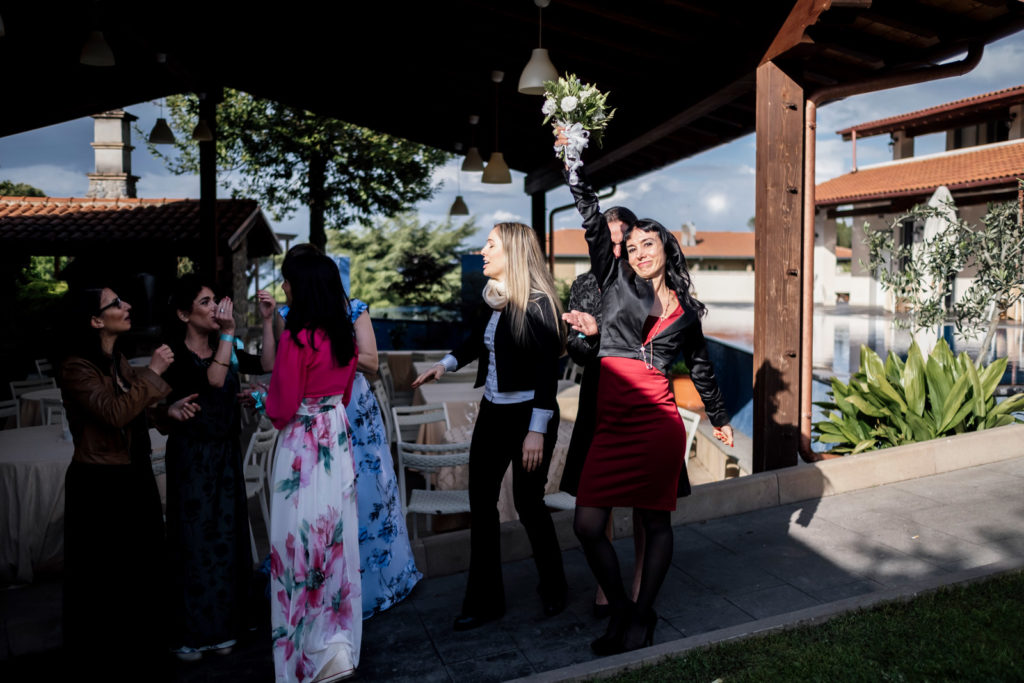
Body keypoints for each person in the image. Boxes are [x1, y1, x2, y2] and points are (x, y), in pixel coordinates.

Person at [562, 159, 734, 655]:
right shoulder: (613, 280)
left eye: (647, 244)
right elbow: (594, 222)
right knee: (587, 524)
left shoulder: (686, 310)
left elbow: (700, 369)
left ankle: (639, 617)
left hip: (658, 425)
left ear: (666, 248)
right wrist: (575, 169)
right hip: (611, 424)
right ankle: (621, 608)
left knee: (655, 522)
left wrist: (720, 419)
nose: (638, 253)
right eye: (631, 247)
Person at [412, 222, 568, 631]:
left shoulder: (539, 305)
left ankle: (554, 587)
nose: (483, 251)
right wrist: (443, 366)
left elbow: (547, 376)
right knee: (482, 505)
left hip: (530, 417)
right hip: (493, 413)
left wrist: (536, 430)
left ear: (512, 252)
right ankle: (485, 602)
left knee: (529, 503)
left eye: (490, 245)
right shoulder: (497, 299)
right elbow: (475, 341)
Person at [58, 285, 198, 680]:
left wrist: (167, 410)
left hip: (132, 474)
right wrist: (152, 371)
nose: (127, 305)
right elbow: (112, 414)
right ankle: (106, 660)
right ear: (96, 320)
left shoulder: (115, 360)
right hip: (100, 484)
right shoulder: (76, 367)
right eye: (116, 303)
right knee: (106, 580)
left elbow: (135, 411)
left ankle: (141, 654)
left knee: (142, 570)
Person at [162, 275, 277, 661]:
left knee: (226, 539)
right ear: (183, 313)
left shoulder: (226, 344)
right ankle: (194, 632)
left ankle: (225, 625)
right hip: (192, 457)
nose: (215, 308)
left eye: (216, 301)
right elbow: (212, 379)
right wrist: (228, 333)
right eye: (206, 302)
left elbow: (266, 364)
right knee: (194, 542)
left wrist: (265, 321)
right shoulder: (173, 355)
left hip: (226, 453)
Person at [265, 250, 361, 683]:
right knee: (335, 538)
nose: (284, 287)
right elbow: (342, 393)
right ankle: (336, 646)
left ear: (301, 286)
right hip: (335, 438)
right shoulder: (344, 334)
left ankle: (303, 655)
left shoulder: (297, 336)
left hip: (304, 440)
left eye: (287, 280)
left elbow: (280, 407)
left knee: (295, 544)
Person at [559, 204, 648, 619]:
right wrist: (588, 339)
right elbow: (575, 348)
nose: (615, 250)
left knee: (648, 500)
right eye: (608, 241)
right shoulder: (583, 284)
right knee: (599, 495)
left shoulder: (649, 283)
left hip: (643, 394)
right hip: (598, 391)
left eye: (622, 242)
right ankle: (605, 584)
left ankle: (640, 582)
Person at [346, 297, 423, 618]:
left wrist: (322, 350)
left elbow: (372, 362)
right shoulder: (286, 314)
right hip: (318, 414)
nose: (283, 287)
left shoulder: (352, 309)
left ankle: (382, 576)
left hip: (354, 405)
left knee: (370, 490)